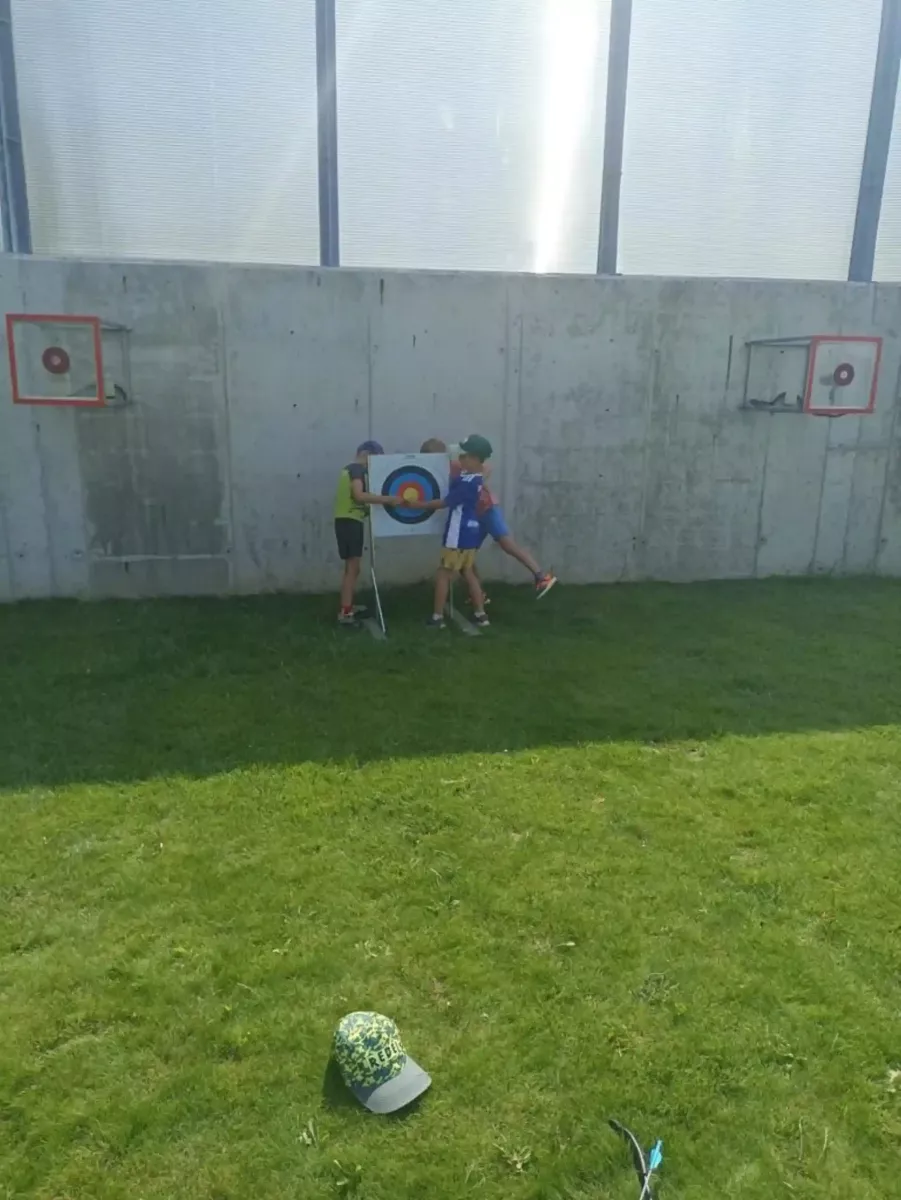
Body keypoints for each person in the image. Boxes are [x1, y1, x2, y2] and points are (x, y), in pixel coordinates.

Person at [419, 438, 556, 599]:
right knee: (466, 558)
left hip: (487, 508)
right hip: (471, 515)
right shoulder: (437, 472)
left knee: (507, 544)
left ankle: (541, 576)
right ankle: (479, 595)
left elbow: (487, 467)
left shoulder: (456, 464)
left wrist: (476, 483)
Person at [408, 434, 492, 628]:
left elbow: (444, 503)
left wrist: (417, 504)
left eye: (464, 456)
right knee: (468, 572)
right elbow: (470, 475)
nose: (460, 459)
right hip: (471, 532)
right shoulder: (475, 478)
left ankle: (437, 617)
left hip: (457, 534)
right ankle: (481, 615)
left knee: (443, 574)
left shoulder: (466, 483)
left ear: (475, 459)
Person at [333, 440, 400, 626]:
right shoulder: (357, 470)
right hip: (350, 522)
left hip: (346, 521)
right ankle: (345, 613)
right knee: (352, 569)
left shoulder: (349, 469)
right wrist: (387, 500)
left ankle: (347, 606)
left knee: (352, 568)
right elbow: (359, 495)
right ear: (367, 455)